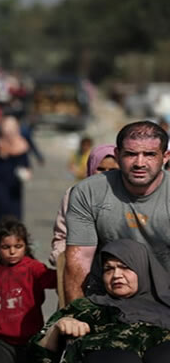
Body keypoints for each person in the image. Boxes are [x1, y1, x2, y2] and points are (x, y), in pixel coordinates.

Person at [64, 121, 170, 303]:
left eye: (150, 154)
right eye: (131, 154)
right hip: (107, 299)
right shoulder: (89, 192)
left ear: (165, 157)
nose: (140, 163)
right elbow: (79, 262)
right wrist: (77, 315)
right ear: (117, 155)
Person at [31, 239, 170, 363]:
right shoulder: (85, 307)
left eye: (125, 267)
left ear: (143, 269)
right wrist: (56, 329)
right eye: (108, 269)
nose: (116, 275)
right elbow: (38, 362)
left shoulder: (166, 305)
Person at [0, 219, 56, 363]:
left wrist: (68, 268)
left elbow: (52, 279)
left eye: (18, 246)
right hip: (1, 339)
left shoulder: (33, 268)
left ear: (26, 246)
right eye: (6, 247)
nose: (12, 252)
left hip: (32, 338)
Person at [50, 144, 118, 267]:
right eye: (101, 169)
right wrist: (61, 257)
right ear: (91, 167)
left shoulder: (127, 196)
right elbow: (62, 236)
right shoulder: (75, 194)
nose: (106, 175)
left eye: (113, 170)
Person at [0, 116, 31, 229]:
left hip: (14, 179)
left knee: (13, 204)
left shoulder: (21, 143)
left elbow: (25, 162)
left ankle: (13, 227)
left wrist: (27, 172)